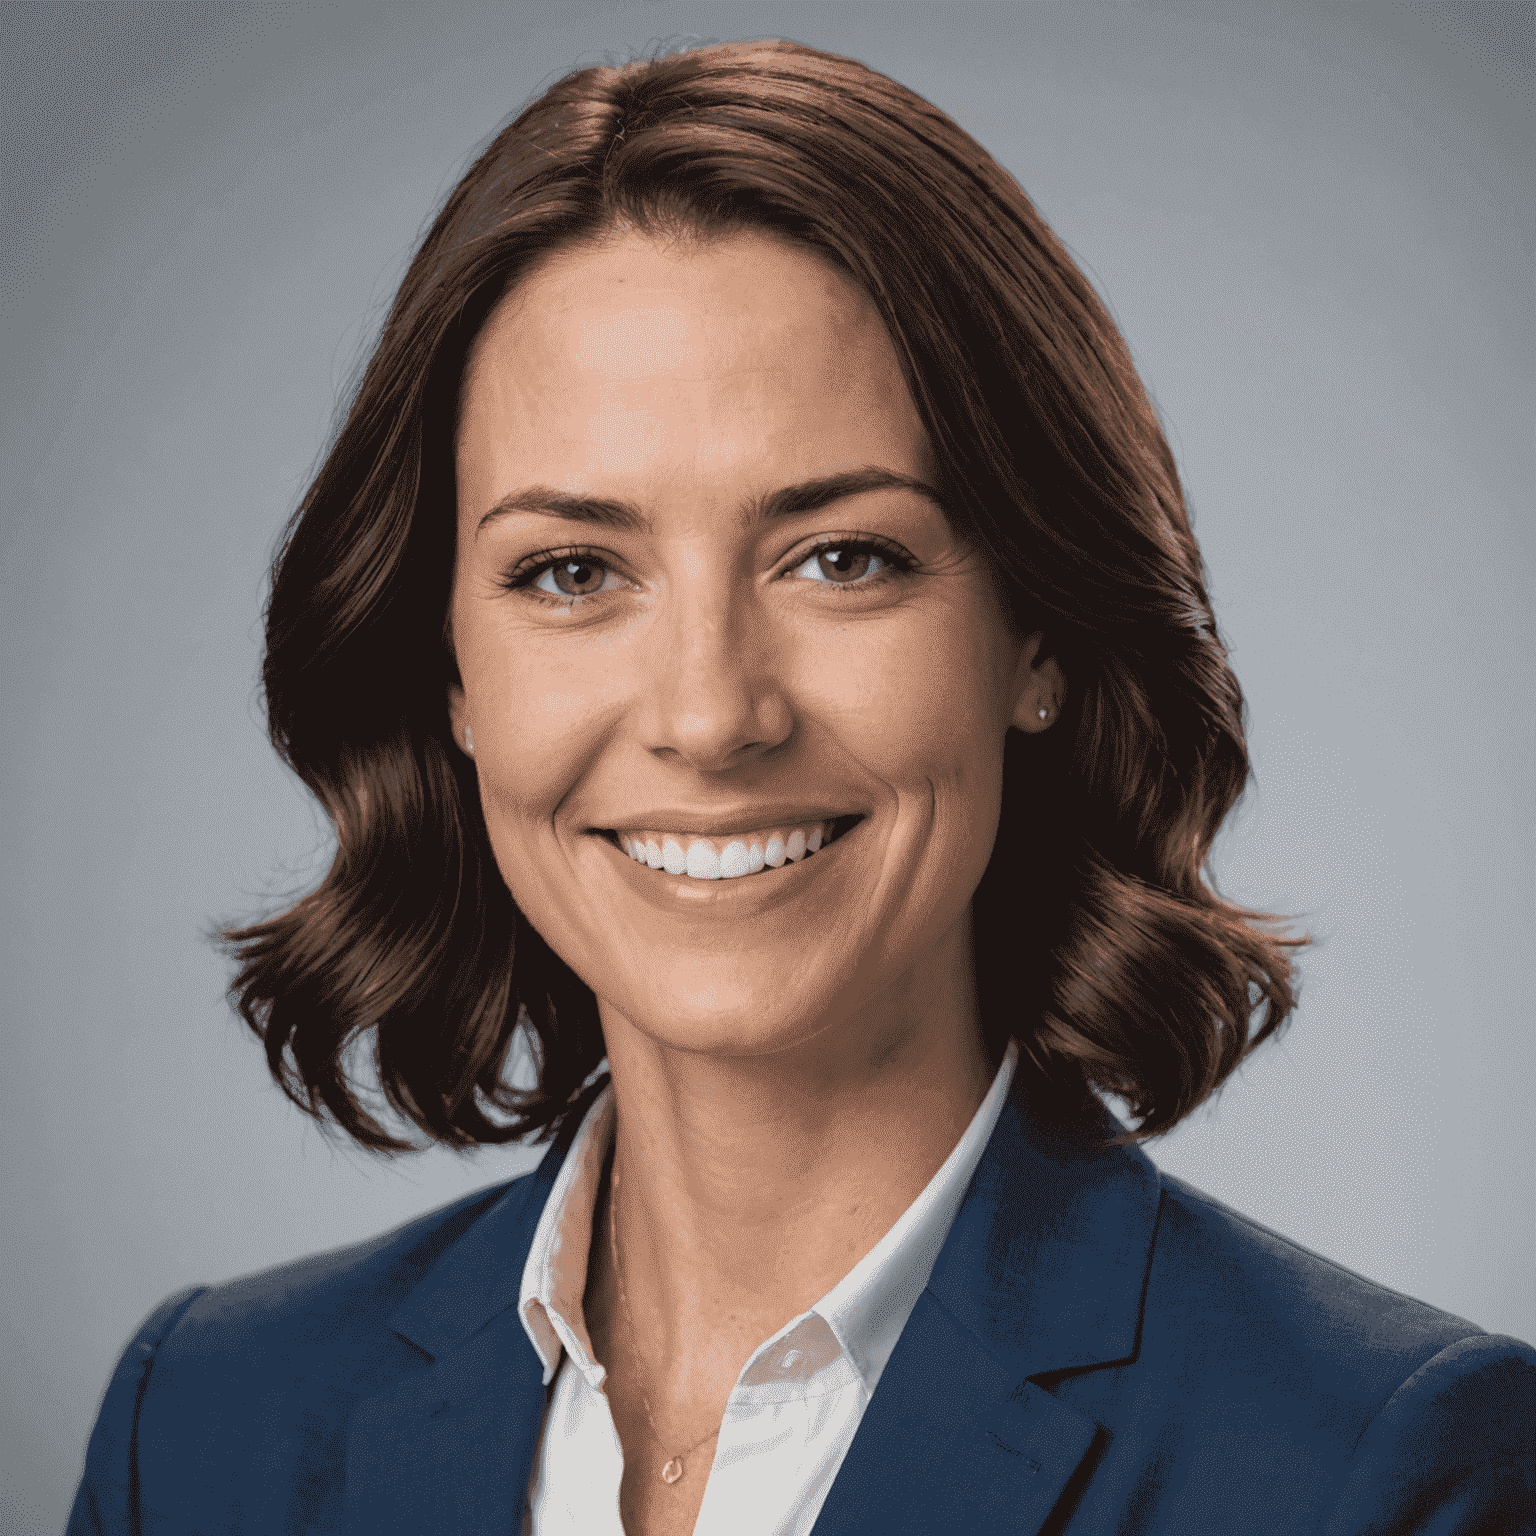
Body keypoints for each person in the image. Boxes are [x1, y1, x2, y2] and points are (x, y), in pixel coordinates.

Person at [66, 38, 1533, 1536]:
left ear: (1037, 635)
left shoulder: (1379, 1466)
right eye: (572, 571)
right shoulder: (197, 1434)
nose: (710, 715)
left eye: (844, 558)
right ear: (448, 674)